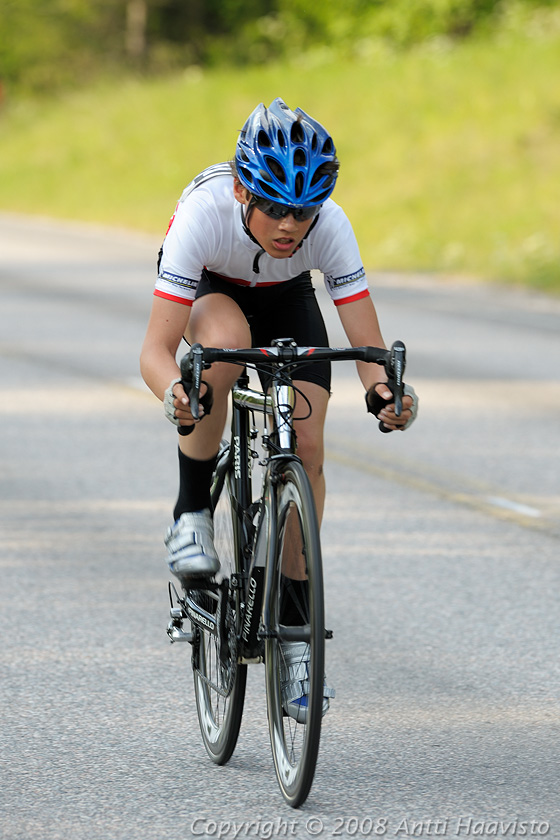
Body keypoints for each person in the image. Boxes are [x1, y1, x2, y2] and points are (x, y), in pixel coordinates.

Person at [140, 97, 418, 721]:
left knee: (309, 445)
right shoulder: (204, 216)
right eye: (274, 207)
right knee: (224, 347)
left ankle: (294, 638)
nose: (291, 225)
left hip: (287, 299)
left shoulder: (330, 225)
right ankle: (189, 512)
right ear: (243, 190)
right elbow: (155, 350)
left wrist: (386, 393)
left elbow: (367, 346)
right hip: (213, 290)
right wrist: (177, 390)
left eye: (304, 210)